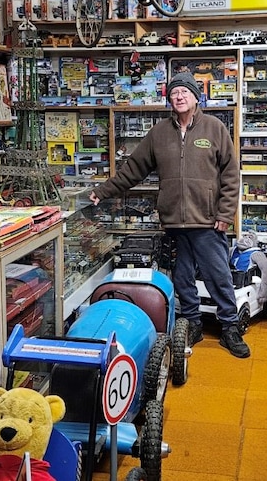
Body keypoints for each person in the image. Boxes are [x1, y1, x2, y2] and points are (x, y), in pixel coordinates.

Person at [89, 71, 249, 358]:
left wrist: (225, 213)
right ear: (169, 99)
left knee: (218, 275)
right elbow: (133, 170)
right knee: (183, 276)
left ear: (195, 97)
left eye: (184, 92)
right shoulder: (159, 134)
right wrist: (103, 191)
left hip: (208, 220)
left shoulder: (214, 129)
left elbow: (230, 175)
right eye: (174, 92)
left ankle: (229, 327)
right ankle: (192, 324)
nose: (179, 96)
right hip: (174, 221)